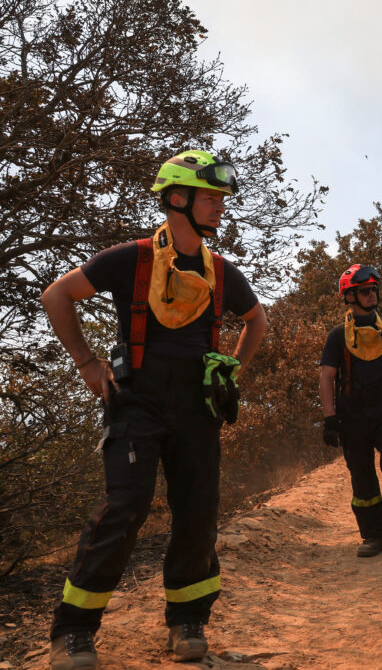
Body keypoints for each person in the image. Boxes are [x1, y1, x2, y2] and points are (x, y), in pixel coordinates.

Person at [41, 150, 267, 669]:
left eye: (220, 199)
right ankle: (72, 631)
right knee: (125, 508)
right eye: (210, 198)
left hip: (197, 409)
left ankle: (187, 622)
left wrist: (232, 369)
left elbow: (258, 321)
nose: (219, 207)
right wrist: (87, 363)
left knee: (197, 512)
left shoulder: (222, 272)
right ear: (176, 198)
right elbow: (58, 295)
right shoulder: (133, 258)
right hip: (136, 404)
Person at [319, 264, 382, 557]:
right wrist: (329, 419)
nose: (372, 294)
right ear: (349, 296)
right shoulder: (338, 336)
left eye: (374, 289)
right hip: (352, 413)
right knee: (361, 475)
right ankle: (373, 536)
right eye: (365, 291)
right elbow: (326, 377)